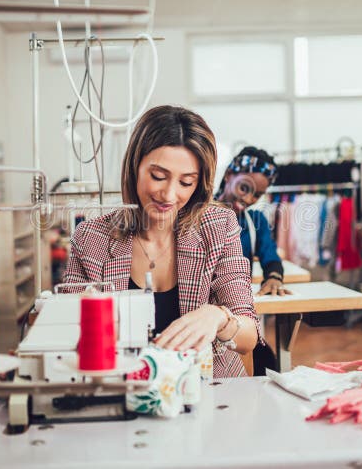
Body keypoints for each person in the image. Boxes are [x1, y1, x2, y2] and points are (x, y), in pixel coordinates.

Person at [63, 105, 259, 378]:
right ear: (135, 166)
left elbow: (248, 338)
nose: (169, 194)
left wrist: (218, 317)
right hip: (120, 389)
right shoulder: (91, 238)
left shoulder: (218, 227)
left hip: (208, 390)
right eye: (158, 176)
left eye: (186, 182)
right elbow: (65, 332)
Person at [216, 146, 289, 375]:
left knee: (267, 366)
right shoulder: (198, 214)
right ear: (229, 176)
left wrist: (274, 277)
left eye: (256, 194)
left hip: (237, 318)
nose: (248, 198)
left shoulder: (254, 221)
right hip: (204, 315)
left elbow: (270, 256)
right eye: (244, 188)